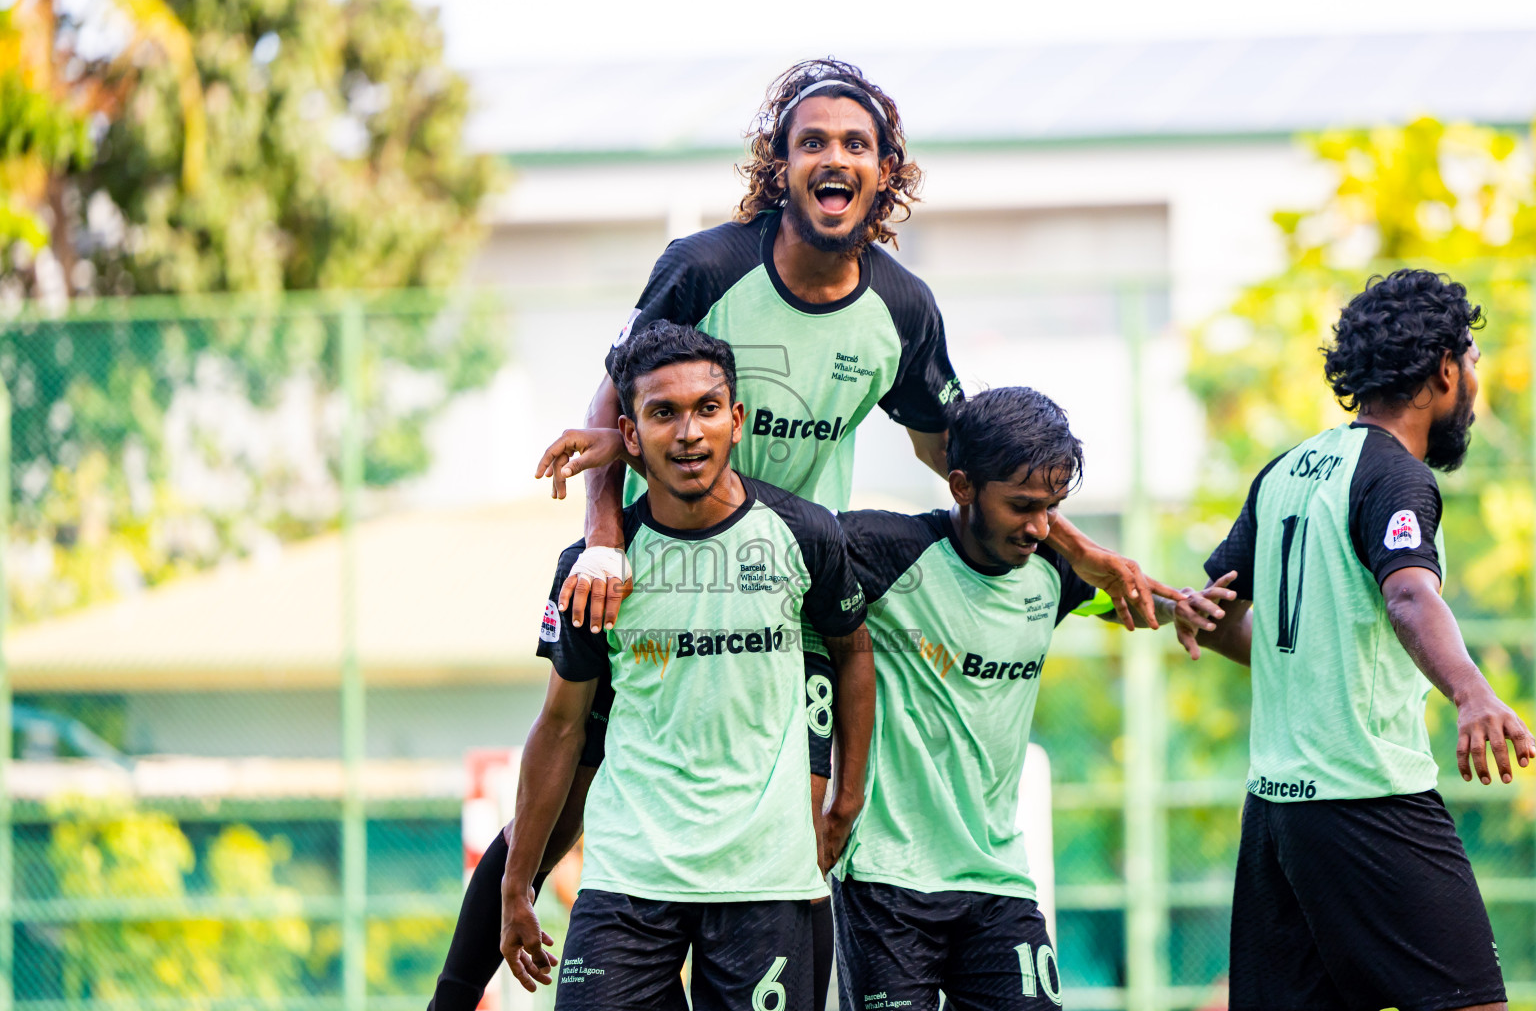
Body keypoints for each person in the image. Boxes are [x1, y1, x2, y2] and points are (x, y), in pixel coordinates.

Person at [429, 57, 1177, 1011]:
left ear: (885, 169)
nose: (834, 157)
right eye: (811, 141)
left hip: (793, 584)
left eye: (855, 143)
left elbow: (970, 462)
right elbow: (621, 403)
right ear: (778, 165)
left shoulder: (901, 309)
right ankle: (456, 992)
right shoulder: (705, 268)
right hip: (667, 566)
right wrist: (608, 538)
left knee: (794, 827)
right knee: (573, 774)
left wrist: (1080, 550)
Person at [501, 322, 874, 1010]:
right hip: (628, 881)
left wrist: (845, 801)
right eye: (663, 413)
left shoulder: (804, 534)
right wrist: (516, 882)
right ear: (630, 435)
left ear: (736, 419)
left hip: (765, 882)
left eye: (706, 408)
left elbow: (853, 655)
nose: (690, 433)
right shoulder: (591, 576)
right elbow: (559, 727)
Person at [1194, 269, 1534, 1011]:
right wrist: (1473, 693)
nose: (1474, 380)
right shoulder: (1396, 478)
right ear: (1445, 368)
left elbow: (1214, 615)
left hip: (1277, 816)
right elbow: (1410, 593)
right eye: (1472, 362)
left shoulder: (1284, 471)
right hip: (1368, 798)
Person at [829, 386, 1230, 1010]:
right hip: (889, 879)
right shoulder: (884, 551)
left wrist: (1180, 605)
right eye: (1021, 506)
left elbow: (1124, 596)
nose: (1040, 527)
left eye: (1053, 508)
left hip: (998, 880)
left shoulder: (1052, 573)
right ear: (962, 487)